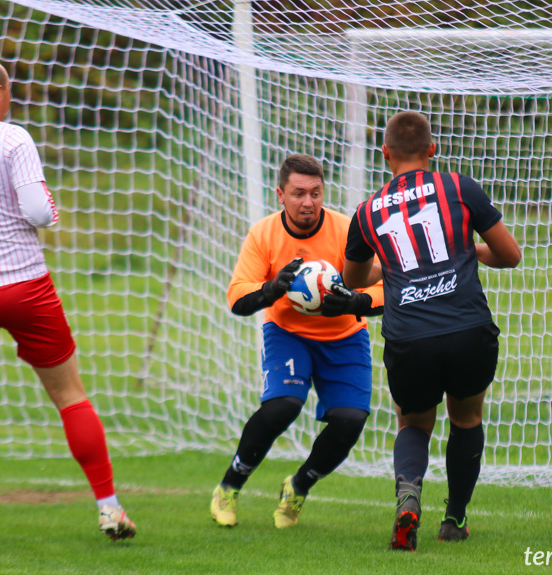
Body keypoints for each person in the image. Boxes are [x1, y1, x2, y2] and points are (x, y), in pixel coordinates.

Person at [0, 55, 135, 548]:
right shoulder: (12, 138)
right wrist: (49, 209)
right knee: (70, 394)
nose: (10, 96)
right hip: (21, 284)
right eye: (8, 88)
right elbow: (38, 210)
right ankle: (109, 509)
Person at [341, 111, 520, 551]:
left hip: (409, 340)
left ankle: (408, 499)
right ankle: (455, 520)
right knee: (466, 418)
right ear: (432, 150)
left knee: (414, 424)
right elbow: (510, 255)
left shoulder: (367, 211)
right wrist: (463, 249)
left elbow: (354, 279)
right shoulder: (459, 188)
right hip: (468, 331)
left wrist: (401, 266)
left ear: (385, 154)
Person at [210, 154, 384, 529]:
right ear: (280, 195)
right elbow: (238, 298)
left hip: (345, 336)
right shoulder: (264, 234)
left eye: (316, 193)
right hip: (287, 333)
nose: (308, 201)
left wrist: (356, 301)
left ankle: (299, 486)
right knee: (283, 404)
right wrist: (273, 289)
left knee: (350, 420)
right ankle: (230, 485)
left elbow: (386, 285)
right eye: (298, 193)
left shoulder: (347, 230)